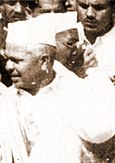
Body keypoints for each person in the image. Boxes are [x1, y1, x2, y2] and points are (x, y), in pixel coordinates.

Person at [4, 17, 82, 153]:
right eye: (7, 59)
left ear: (44, 61)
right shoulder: (6, 100)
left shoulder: (75, 95)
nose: (8, 66)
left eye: (16, 60)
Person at [75, 0, 115, 76]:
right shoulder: (61, 32)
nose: (89, 14)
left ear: (114, 7)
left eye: (98, 8)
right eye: (83, 6)